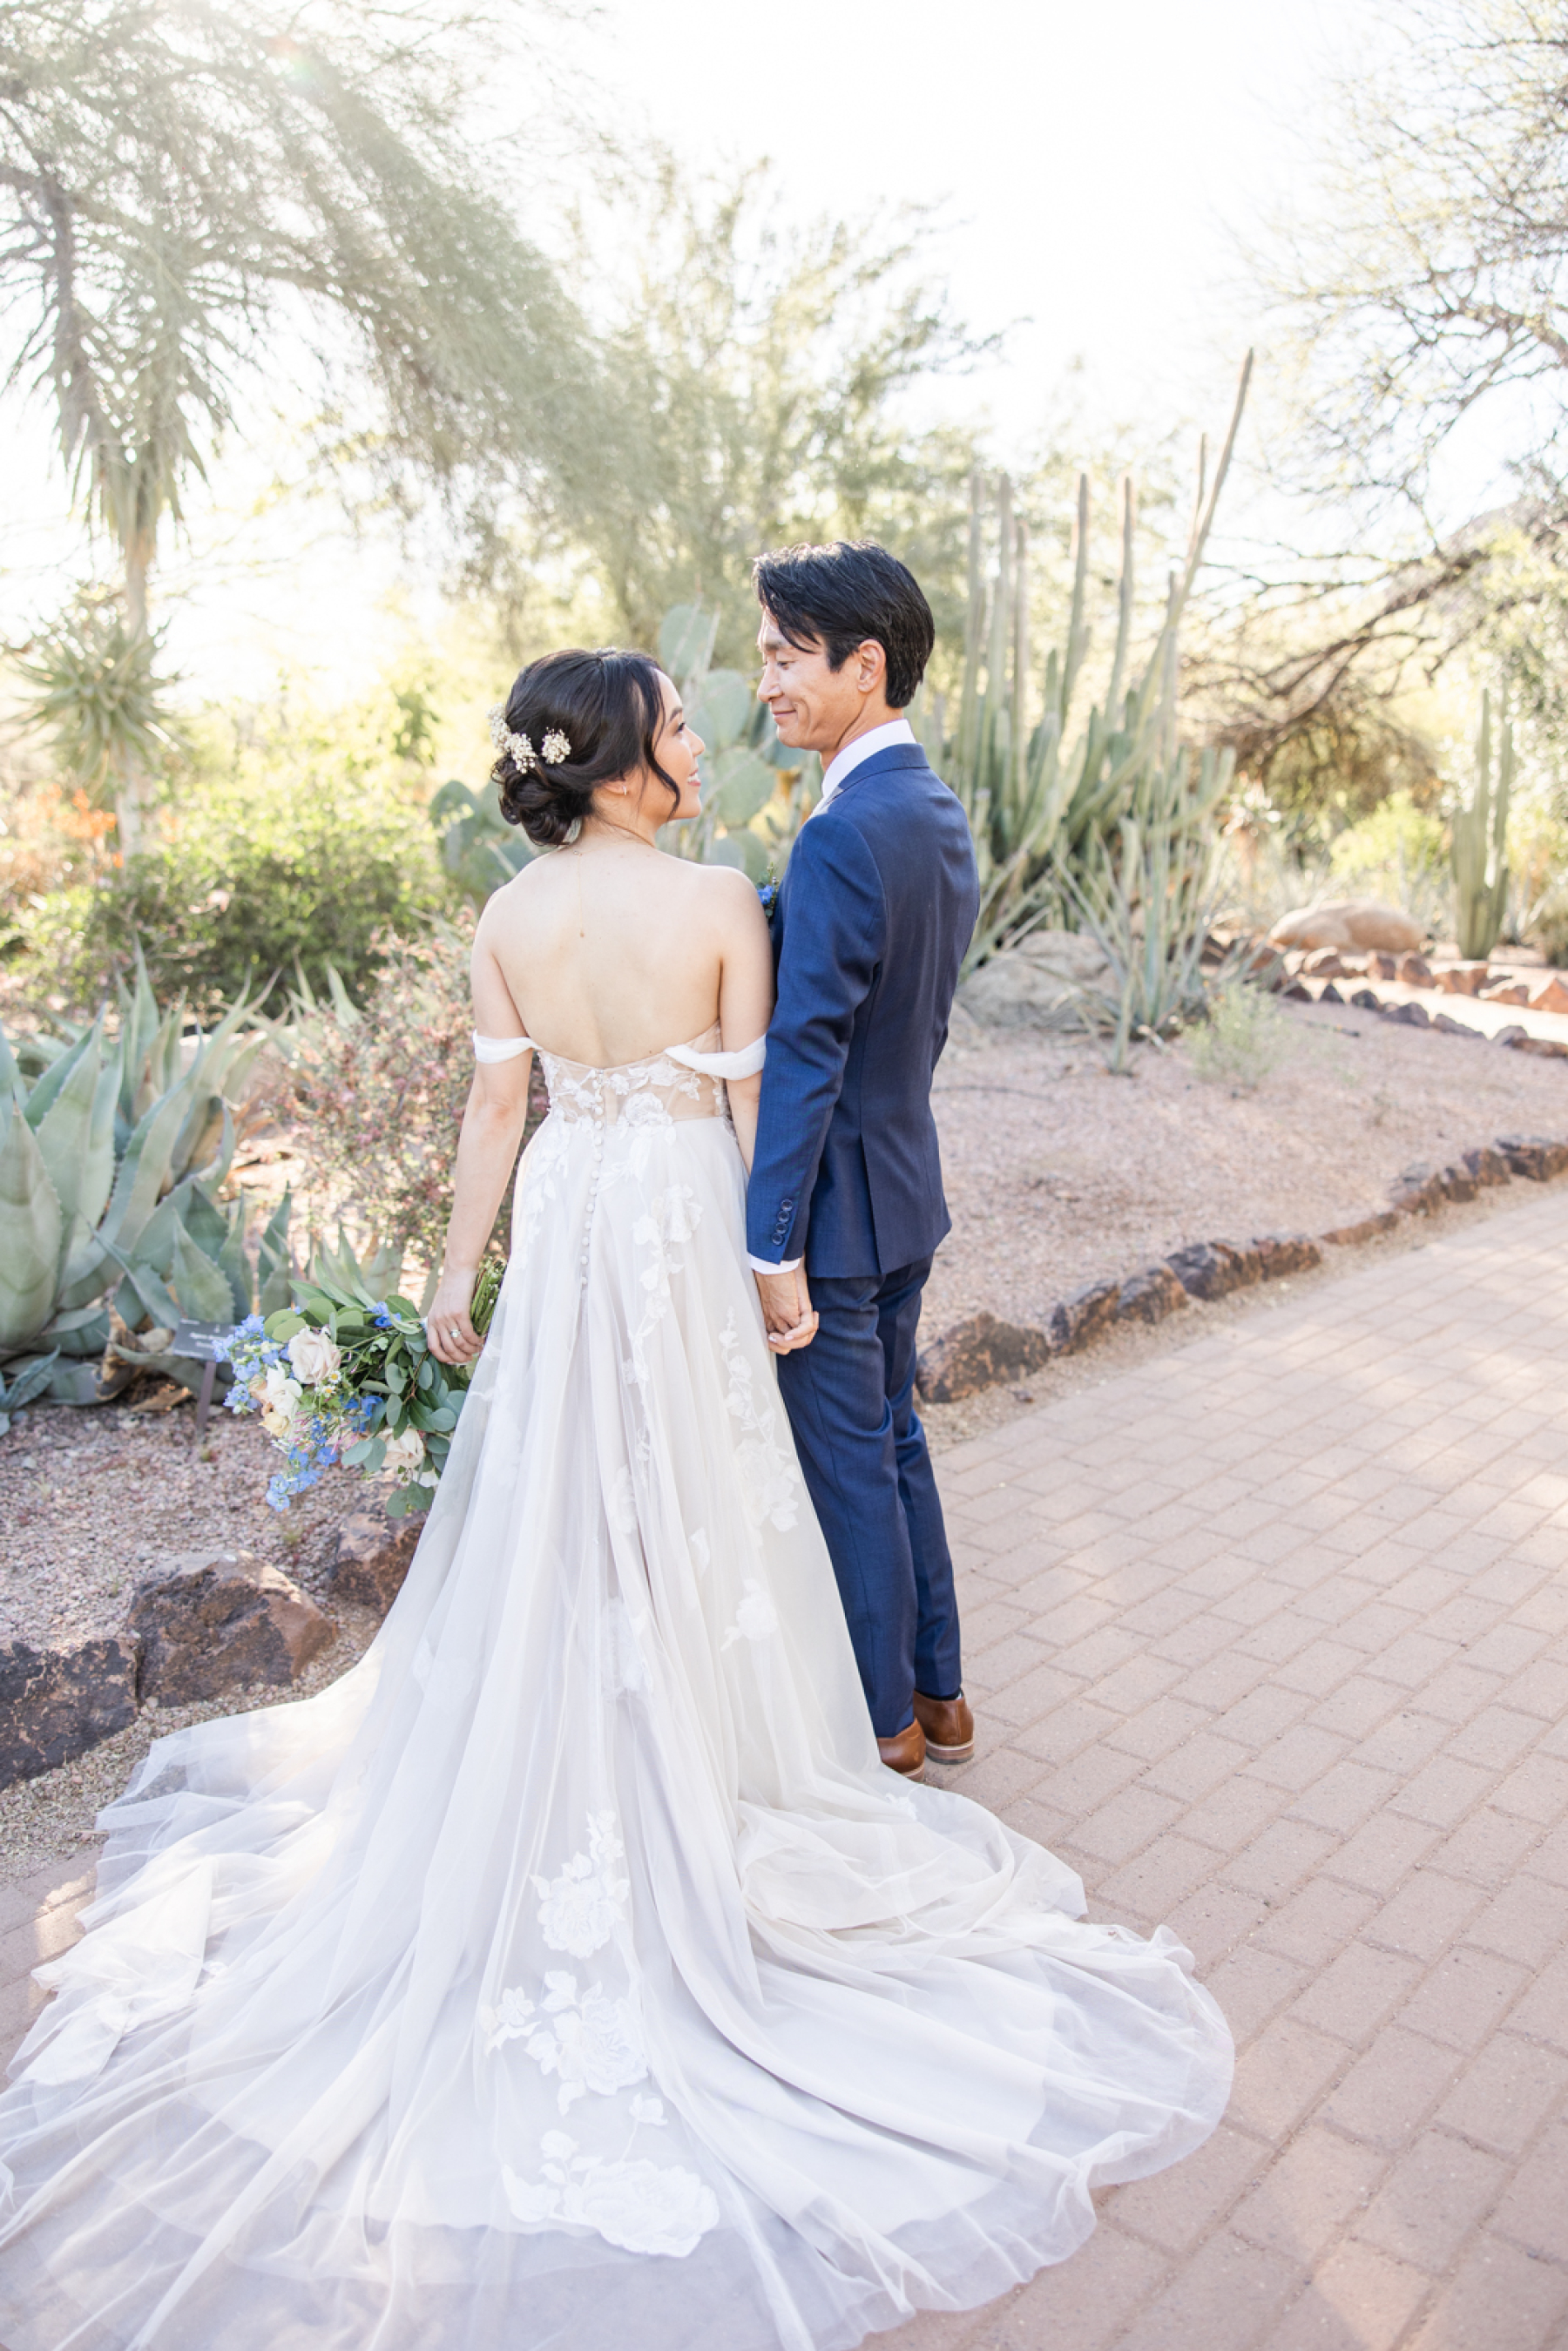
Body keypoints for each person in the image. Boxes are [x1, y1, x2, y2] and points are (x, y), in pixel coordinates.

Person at [0, 646, 1232, 2351]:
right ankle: (708, 1761)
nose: (698, 741)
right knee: (700, 1501)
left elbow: (496, 1111)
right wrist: (771, 1277)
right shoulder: (724, 896)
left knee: (560, 1497)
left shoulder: (510, 917)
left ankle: (585, 1722)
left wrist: (454, 1278)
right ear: (630, 758)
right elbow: (746, 1114)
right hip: (671, 1226)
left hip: (573, 1222)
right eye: (675, 721)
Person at [746, 542, 977, 1780]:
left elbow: (808, 1053)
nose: (764, 683)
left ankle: (882, 1731)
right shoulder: (931, 812)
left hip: (834, 1222)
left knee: (848, 1464)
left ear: (864, 663)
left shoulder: (841, 835)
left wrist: (768, 1242)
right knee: (895, 1443)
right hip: (907, 1197)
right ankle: (942, 1700)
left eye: (785, 657)